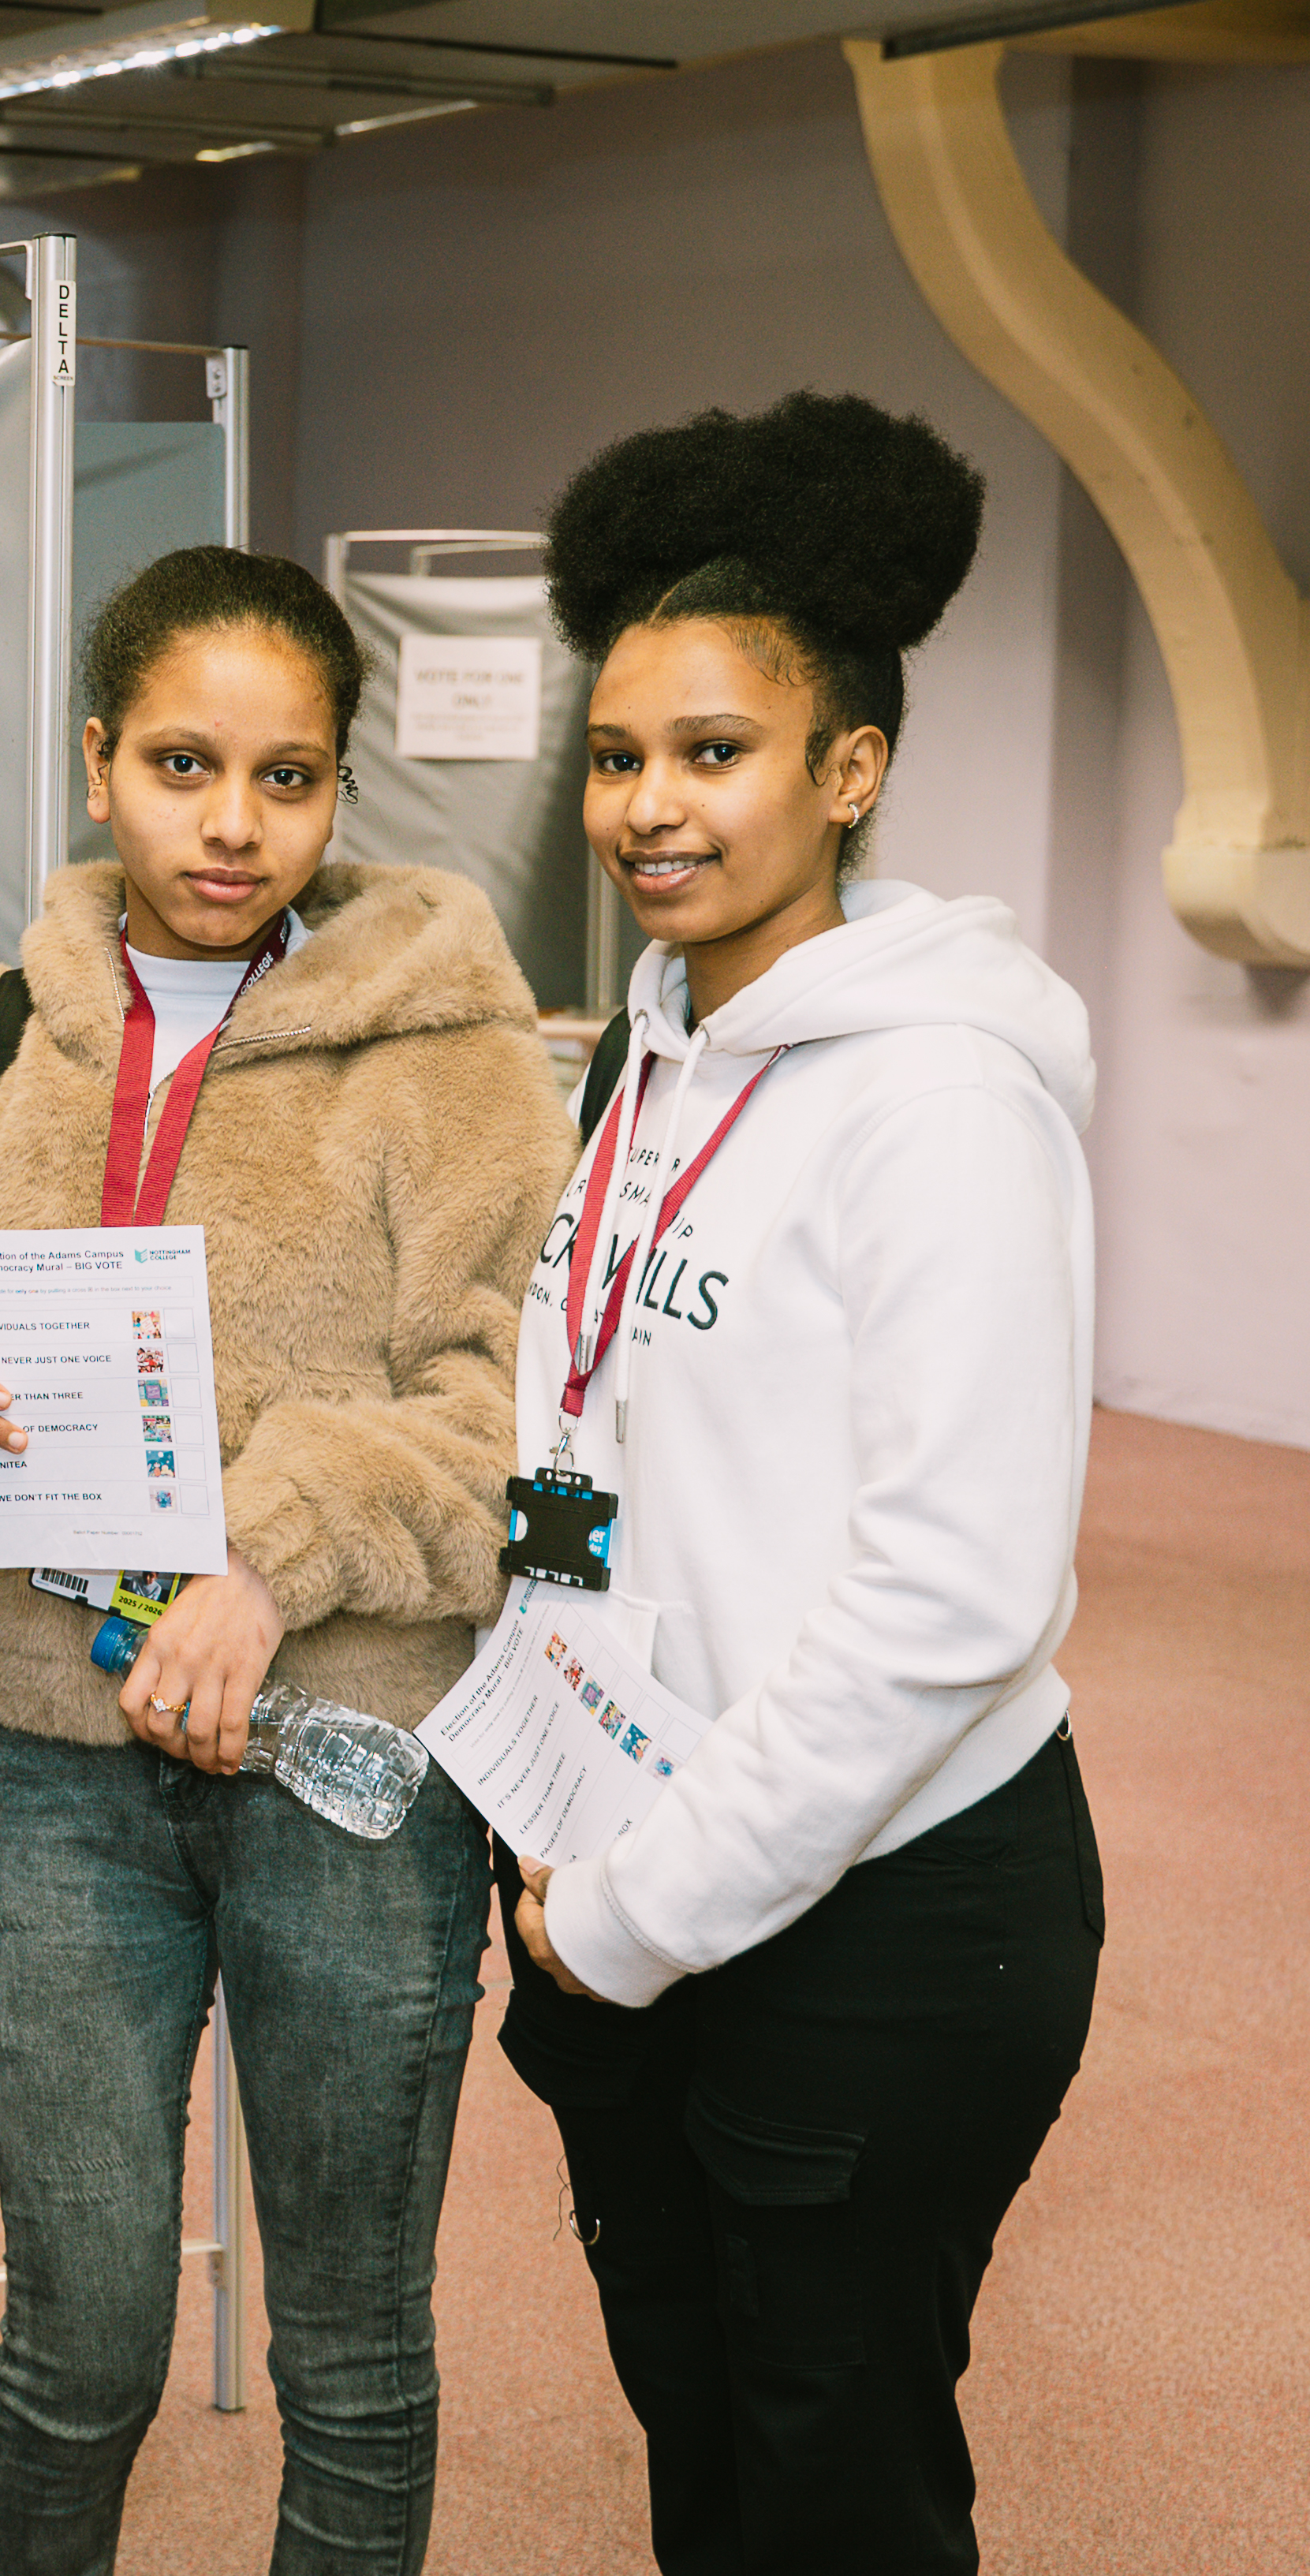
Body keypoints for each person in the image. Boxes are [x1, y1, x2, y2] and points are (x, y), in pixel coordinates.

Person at [0, 547, 576, 2574]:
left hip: (351, 1766)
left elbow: (507, 1414)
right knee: (78, 2336)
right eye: (178, 763)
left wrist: (269, 1553)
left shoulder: (450, 1056)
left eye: (287, 777)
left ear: (337, 789)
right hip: (60, 1765)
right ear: (92, 762)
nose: (229, 824)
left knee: (347, 2346)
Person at [499, 393, 1102, 2575]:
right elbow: (603, 1447)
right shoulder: (648, 1044)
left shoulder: (938, 1098)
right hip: (650, 1865)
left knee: (834, 2480)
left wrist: (638, 1910)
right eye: (615, 753)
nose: (647, 806)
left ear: (845, 771)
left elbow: (952, 1596)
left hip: (883, 1904)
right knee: (707, 2455)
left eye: (713, 750)